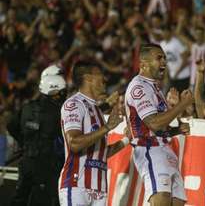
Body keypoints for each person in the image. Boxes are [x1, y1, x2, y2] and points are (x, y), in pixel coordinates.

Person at [125, 44, 193, 206]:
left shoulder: (154, 87)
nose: (164, 62)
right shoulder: (139, 87)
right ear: (143, 64)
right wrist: (182, 105)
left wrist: (176, 130)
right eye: (159, 58)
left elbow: (160, 127)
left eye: (164, 58)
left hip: (165, 149)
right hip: (150, 150)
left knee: (177, 203)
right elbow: (154, 123)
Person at [58, 61, 129, 206]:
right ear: (88, 78)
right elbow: (74, 143)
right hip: (76, 186)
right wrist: (106, 128)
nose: (105, 79)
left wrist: (127, 139)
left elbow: (100, 153)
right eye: (100, 75)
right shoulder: (73, 104)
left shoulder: (97, 110)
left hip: (99, 189)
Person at [7, 74, 67, 206]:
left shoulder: (27, 107)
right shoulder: (58, 112)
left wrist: (24, 142)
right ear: (56, 93)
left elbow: (10, 126)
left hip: (27, 161)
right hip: (47, 165)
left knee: (20, 197)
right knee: (49, 199)